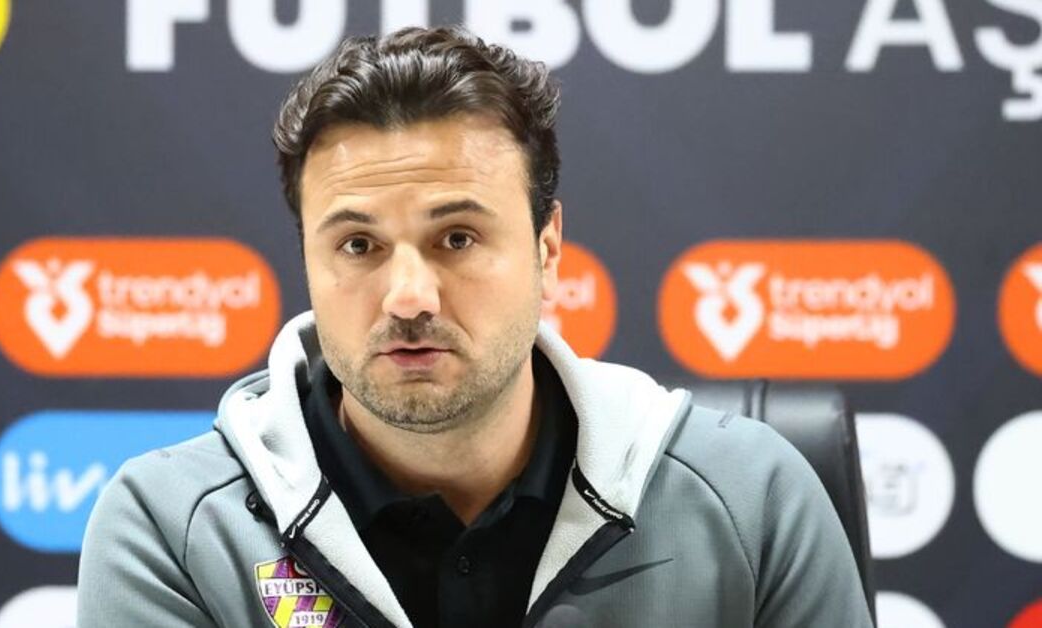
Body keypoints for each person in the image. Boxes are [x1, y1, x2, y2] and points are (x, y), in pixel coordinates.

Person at [77, 26, 873, 628]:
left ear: (547, 249)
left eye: (457, 238)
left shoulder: (752, 500)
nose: (408, 297)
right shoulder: (174, 530)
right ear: (309, 261)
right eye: (358, 246)